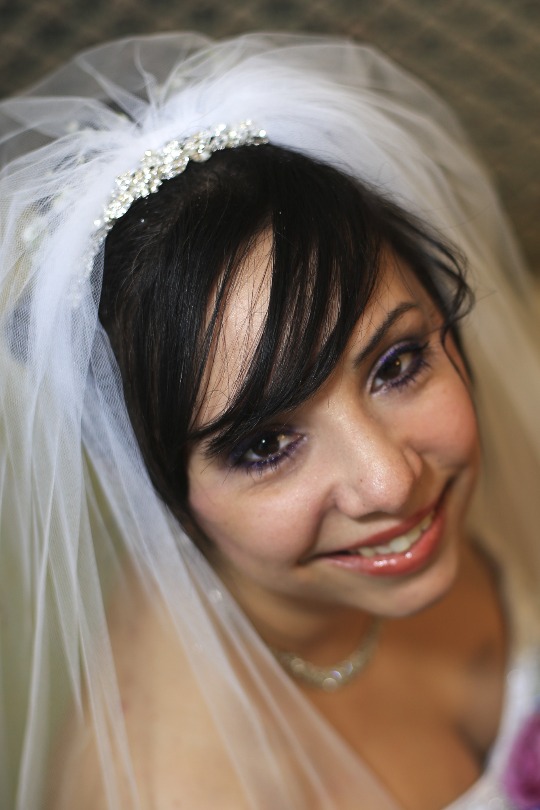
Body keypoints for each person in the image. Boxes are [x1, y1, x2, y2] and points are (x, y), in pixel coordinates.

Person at [0, 32, 539, 810]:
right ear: (149, 478)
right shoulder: (175, 790)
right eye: (264, 445)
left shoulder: (419, 526)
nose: (391, 481)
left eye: (396, 365)